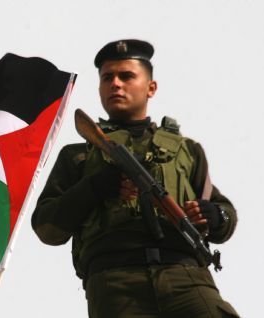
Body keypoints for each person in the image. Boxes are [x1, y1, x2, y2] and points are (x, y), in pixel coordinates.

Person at [31, 39, 240, 317]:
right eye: (107, 78)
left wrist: (214, 216)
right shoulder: (79, 155)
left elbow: (224, 214)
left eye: (126, 76)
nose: (115, 84)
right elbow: (47, 228)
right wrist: (94, 188)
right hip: (115, 283)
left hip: (186, 276)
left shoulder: (187, 151)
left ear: (151, 87)